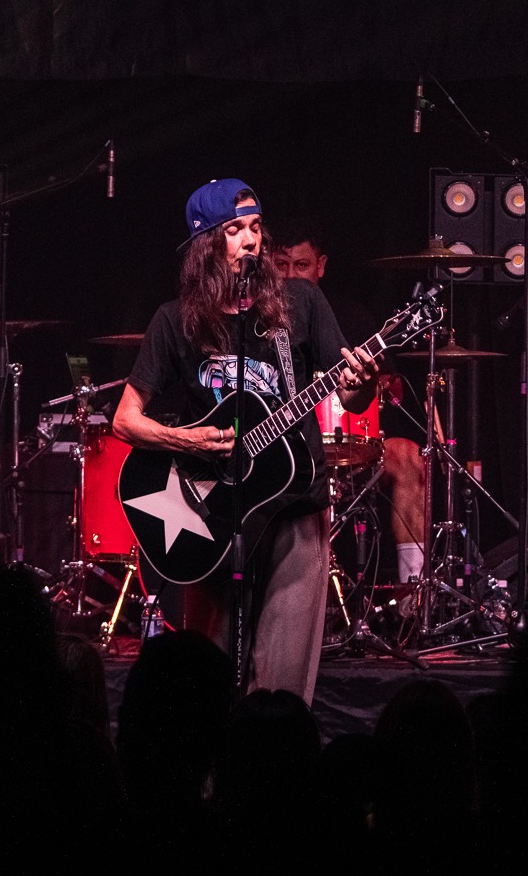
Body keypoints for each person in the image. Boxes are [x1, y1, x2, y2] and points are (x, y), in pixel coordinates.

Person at [112, 178, 381, 701]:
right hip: (212, 515)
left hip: (294, 505)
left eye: (256, 227)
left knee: (280, 686)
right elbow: (125, 420)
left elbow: (351, 398)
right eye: (235, 229)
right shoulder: (175, 320)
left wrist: (363, 382)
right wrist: (186, 443)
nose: (252, 240)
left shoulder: (300, 302)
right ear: (206, 244)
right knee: (206, 683)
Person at [268, 215, 429, 584]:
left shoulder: (350, 317)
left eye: (301, 265)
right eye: (281, 265)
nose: (291, 277)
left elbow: (390, 387)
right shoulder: (253, 317)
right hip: (276, 449)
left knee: (408, 457)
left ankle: (413, 592)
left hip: (348, 446)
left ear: (321, 266)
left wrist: (369, 383)